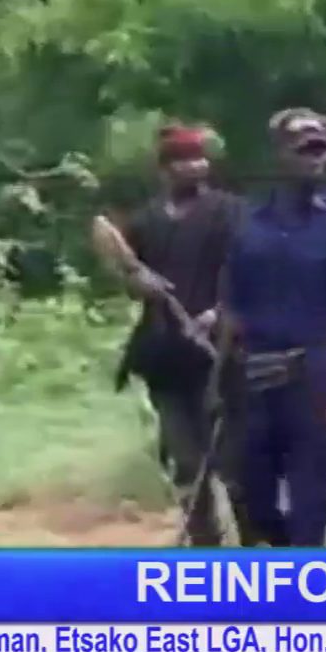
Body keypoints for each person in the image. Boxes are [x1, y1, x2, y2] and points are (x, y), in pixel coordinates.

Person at [222, 109, 326, 549]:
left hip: (313, 380)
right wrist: (217, 385)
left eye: (323, 149)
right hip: (252, 380)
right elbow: (230, 307)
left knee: (311, 507)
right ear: (280, 155)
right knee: (255, 504)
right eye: (305, 149)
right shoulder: (247, 224)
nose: (317, 159)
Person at [93, 124, 247, 546]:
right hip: (164, 357)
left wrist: (217, 313)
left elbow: (245, 270)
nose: (195, 166)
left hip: (221, 356)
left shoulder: (230, 212)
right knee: (185, 459)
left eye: (200, 158)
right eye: (184, 159)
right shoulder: (145, 221)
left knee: (234, 461)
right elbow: (128, 273)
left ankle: (254, 548)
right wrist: (141, 286)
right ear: (165, 169)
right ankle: (205, 545)